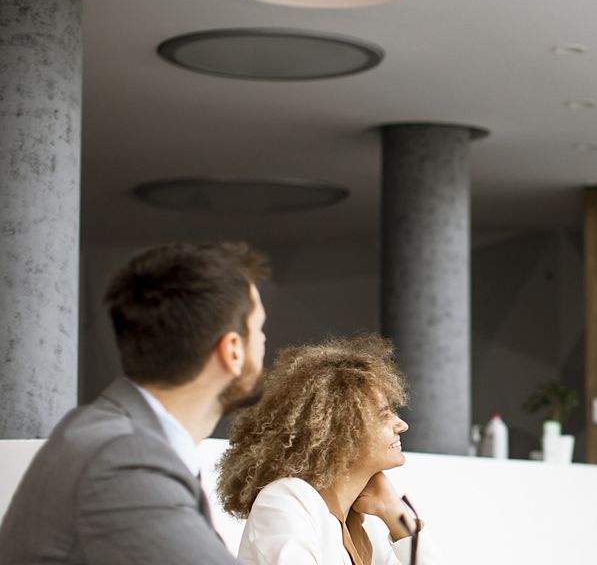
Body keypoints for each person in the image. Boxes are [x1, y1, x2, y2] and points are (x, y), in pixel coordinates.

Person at [0, 242, 270, 564]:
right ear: (233, 351)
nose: (265, 341)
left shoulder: (104, 435)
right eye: (259, 329)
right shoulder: (122, 456)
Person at [218, 334, 438, 565]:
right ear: (340, 430)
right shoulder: (285, 500)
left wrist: (395, 513)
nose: (401, 425)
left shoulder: (368, 524)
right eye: (383, 415)